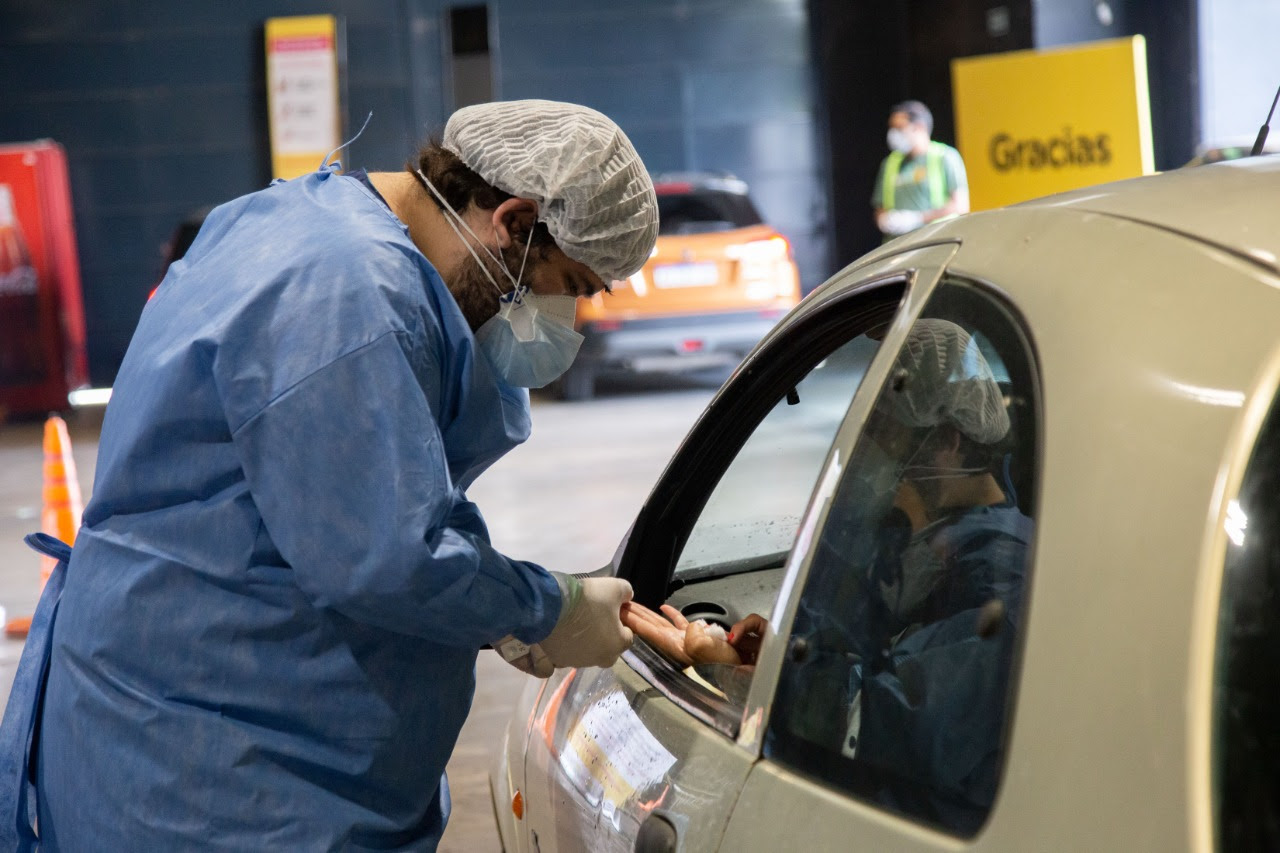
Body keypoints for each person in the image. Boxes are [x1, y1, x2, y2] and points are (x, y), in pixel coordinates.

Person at [1, 100, 658, 851]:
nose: (564, 317)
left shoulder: (299, 224)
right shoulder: (350, 292)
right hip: (213, 776)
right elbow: (390, 555)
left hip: (206, 723)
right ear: (510, 220)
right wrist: (546, 608)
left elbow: (366, 504)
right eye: (566, 283)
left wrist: (504, 610)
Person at [626, 319, 1032, 830]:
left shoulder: (1003, 586)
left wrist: (731, 670)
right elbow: (877, 652)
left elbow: (878, 722)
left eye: (888, 437)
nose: (873, 459)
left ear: (947, 441)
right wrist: (779, 656)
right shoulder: (941, 549)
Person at [871, 101, 969, 240]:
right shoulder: (889, 164)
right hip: (897, 250)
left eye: (899, 128)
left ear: (919, 127)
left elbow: (960, 206)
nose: (893, 134)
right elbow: (879, 208)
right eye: (891, 128)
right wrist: (886, 220)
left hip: (936, 244)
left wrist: (917, 219)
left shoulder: (944, 156)